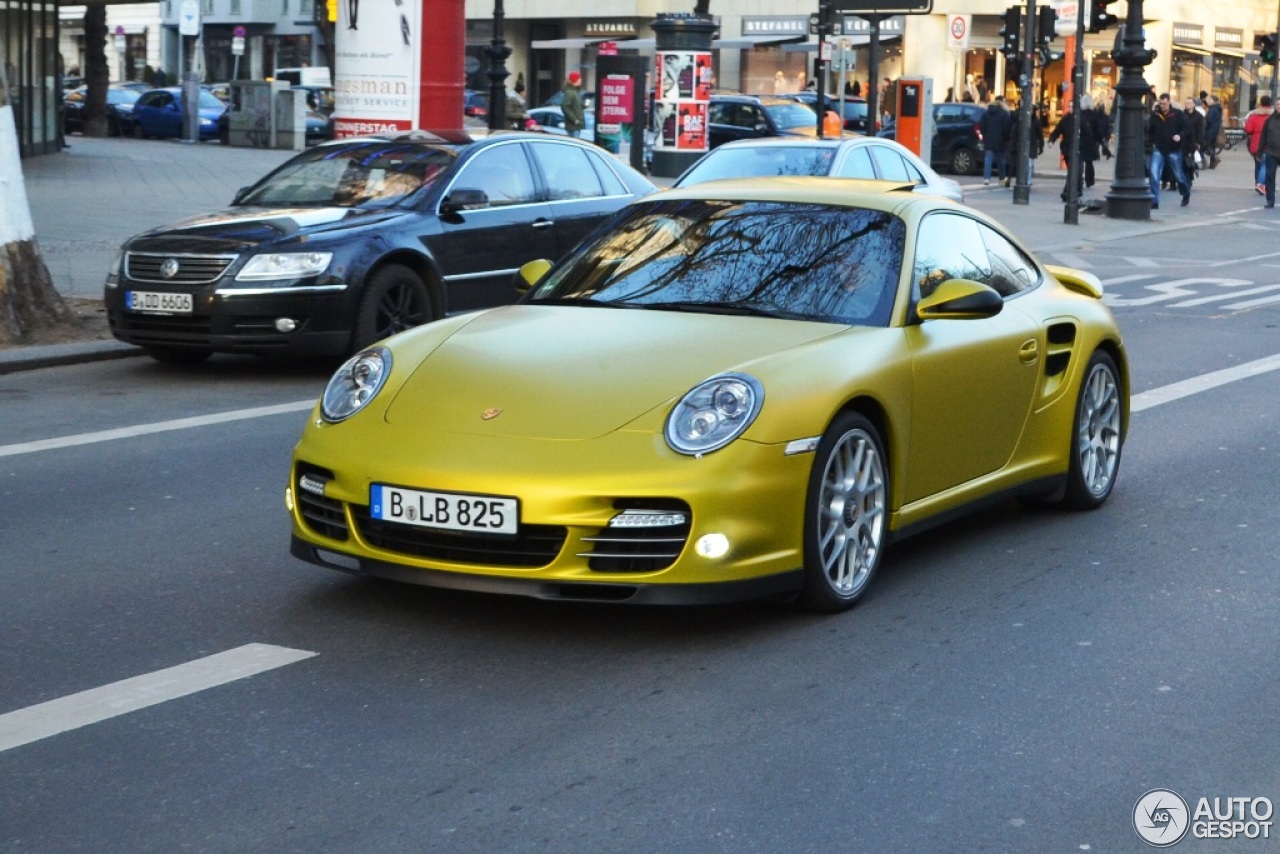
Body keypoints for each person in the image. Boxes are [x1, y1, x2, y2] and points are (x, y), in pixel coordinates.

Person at [1147, 93, 1190, 208]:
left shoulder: (1177, 114)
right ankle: (1154, 200)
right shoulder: (1155, 115)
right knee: (1154, 174)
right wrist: (1151, 142)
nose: (1162, 106)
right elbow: (1150, 130)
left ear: (1169, 102)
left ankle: (1185, 193)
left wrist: (1180, 136)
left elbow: (1186, 128)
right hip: (1159, 148)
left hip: (1173, 148)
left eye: (1164, 104)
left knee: (1178, 175)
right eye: (1160, 103)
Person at [1048, 104, 1082, 201]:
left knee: (1074, 171)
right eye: (1069, 106)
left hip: (1079, 149)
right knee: (1073, 171)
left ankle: (1068, 192)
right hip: (1067, 149)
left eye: (1072, 106)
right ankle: (1074, 191)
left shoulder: (1081, 119)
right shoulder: (1065, 119)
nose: (1070, 108)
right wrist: (1051, 141)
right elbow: (1057, 131)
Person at [1080, 93, 1111, 189]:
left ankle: (1079, 179)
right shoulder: (1095, 115)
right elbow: (1097, 129)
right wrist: (1101, 140)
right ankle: (1089, 180)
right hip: (1091, 141)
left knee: (1079, 161)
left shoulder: (1080, 114)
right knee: (1089, 162)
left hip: (1081, 140)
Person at [978, 97, 1012, 186]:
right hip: (1000, 140)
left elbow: (981, 126)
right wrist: (1007, 139)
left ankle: (986, 178)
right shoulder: (1004, 114)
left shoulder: (986, 113)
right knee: (1001, 161)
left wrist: (984, 135)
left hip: (988, 139)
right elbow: (1006, 128)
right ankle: (1001, 179)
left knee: (988, 160)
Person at [1244, 95, 1272, 196]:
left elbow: (1248, 129)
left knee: (1258, 164)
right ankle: (1262, 184)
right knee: (1266, 165)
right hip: (1269, 143)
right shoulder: (1273, 116)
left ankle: (1257, 182)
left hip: (1255, 143)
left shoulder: (1254, 115)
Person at [1182, 96, 1205, 191]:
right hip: (1182, 142)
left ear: (1193, 104)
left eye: (1189, 103)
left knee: (1189, 163)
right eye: (1186, 103)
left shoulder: (1199, 116)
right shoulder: (1182, 115)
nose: (1187, 105)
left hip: (1192, 143)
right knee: (1181, 162)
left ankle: (1189, 179)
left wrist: (1198, 143)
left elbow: (1201, 130)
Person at [1260, 97, 1280, 209]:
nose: (1279, 106)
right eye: (1277, 104)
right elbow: (1263, 137)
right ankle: (1270, 200)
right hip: (1271, 153)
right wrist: (1259, 151)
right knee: (1270, 177)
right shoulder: (1269, 120)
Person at [561, 71, 585, 138]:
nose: (581, 80)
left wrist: (584, 105)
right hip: (573, 126)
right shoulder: (570, 92)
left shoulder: (575, 92)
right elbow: (564, 106)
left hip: (576, 125)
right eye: (579, 78)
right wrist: (574, 120)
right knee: (575, 143)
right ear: (575, 80)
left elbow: (576, 107)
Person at [1203, 94, 1223, 168]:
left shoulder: (1212, 109)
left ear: (1213, 101)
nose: (1207, 101)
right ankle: (1212, 162)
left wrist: (1204, 127)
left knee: (1206, 145)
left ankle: (1214, 158)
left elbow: (1208, 121)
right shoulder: (1218, 108)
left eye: (1209, 99)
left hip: (1210, 130)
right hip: (1215, 130)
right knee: (1211, 145)